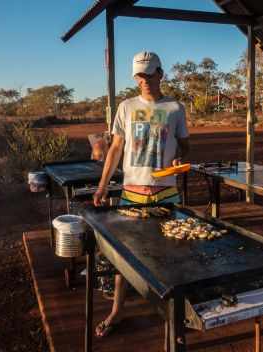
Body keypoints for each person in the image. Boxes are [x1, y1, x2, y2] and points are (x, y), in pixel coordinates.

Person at [92, 51, 190, 337]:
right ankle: (117, 311)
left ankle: (173, 312)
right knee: (126, 257)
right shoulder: (126, 107)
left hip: (166, 192)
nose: (144, 80)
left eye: (149, 73)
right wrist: (102, 186)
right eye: (139, 75)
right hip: (132, 193)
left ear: (161, 73)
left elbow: (186, 146)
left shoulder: (175, 108)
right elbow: (115, 149)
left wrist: (179, 160)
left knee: (172, 253)